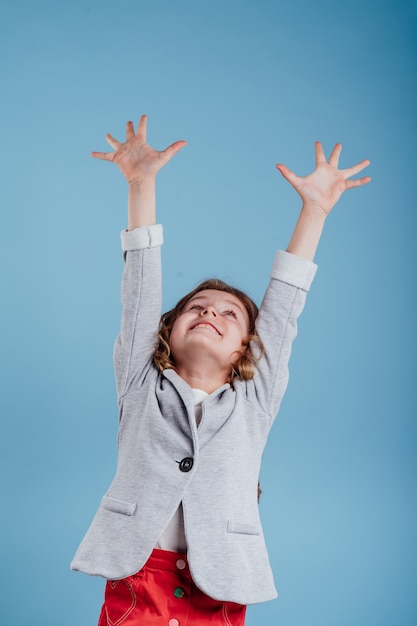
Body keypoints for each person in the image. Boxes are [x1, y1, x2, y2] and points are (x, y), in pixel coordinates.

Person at [71, 115, 370, 626]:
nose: (210, 313)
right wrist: (141, 185)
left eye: (229, 314)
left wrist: (315, 211)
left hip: (222, 580)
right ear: (167, 332)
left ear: (246, 350)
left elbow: (283, 310)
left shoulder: (255, 400)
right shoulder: (141, 382)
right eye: (197, 307)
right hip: (141, 572)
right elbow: (140, 288)